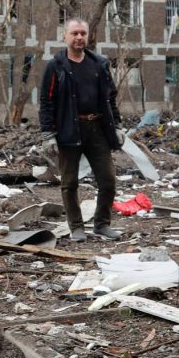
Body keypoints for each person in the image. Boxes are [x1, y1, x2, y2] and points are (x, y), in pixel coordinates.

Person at [38, 18, 124, 241]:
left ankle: (102, 224)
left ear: (88, 37)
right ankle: (76, 226)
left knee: (107, 180)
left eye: (82, 34)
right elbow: (47, 102)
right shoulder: (55, 66)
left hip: (97, 129)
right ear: (64, 36)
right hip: (69, 130)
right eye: (74, 33)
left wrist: (116, 126)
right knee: (69, 182)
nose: (79, 37)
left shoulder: (99, 64)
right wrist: (48, 135)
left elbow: (110, 98)